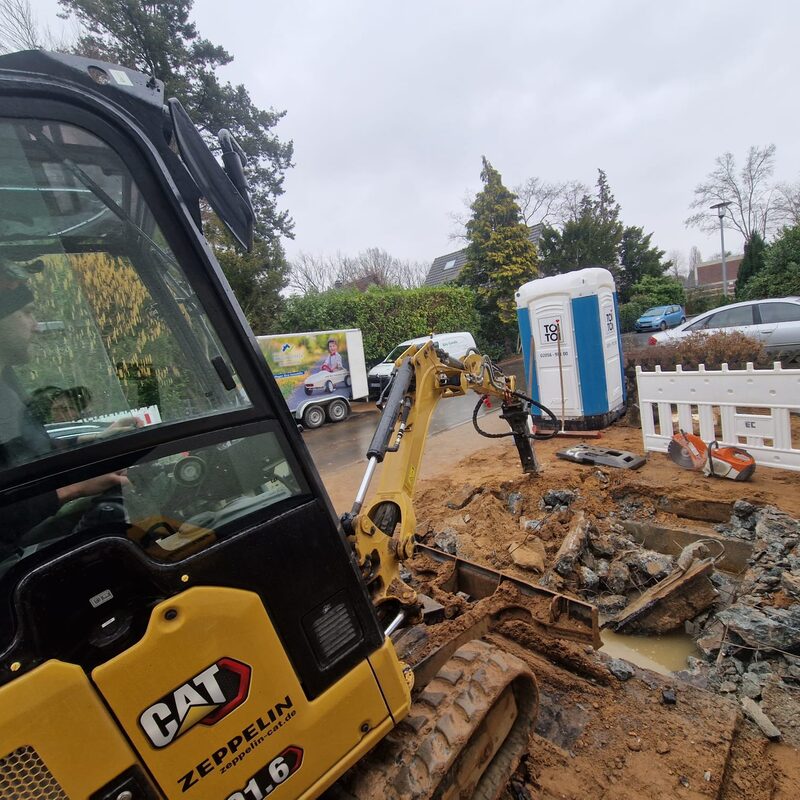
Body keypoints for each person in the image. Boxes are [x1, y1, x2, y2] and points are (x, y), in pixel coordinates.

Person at [0, 261, 129, 541]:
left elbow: (23, 451)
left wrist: (98, 438)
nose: (37, 327)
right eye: (27, 313)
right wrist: (72, 488)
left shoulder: (6, 384)